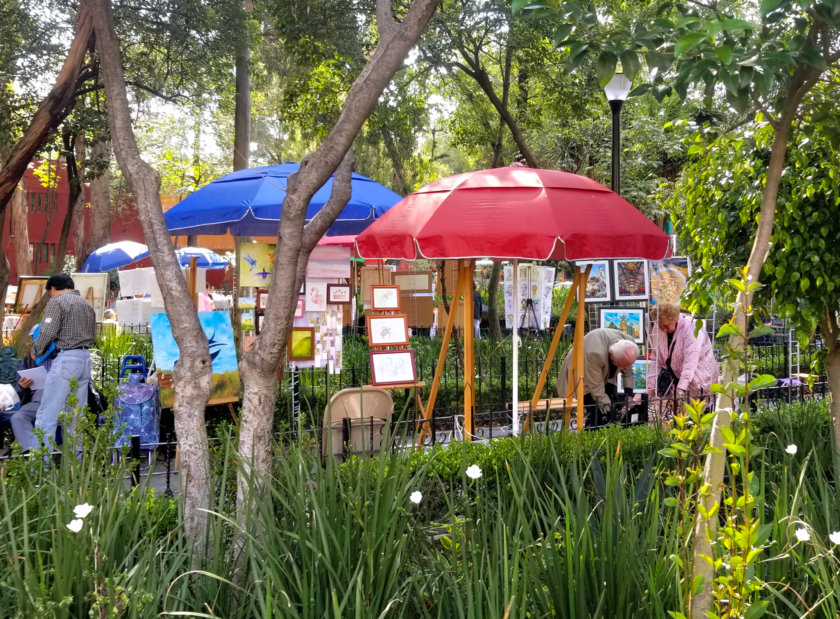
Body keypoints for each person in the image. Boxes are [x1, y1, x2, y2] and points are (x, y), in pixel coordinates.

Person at [32, 273, 96, 450]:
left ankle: (41, 465)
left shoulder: (57, 301)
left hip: (67, 358)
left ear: (53, 288)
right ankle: (76, 466)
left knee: (47, 414)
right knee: (76, 417)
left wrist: (35, 349)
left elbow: (47, 331)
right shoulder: (86, 304)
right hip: (85, 359)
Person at [556, 328, 638, 426]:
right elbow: (596, 388)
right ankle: (590, 436)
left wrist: (629, 395)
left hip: (604, 375)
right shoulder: (595, 354)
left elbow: (628, 371)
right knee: (598, 413)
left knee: (614, 404)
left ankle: (611, 431)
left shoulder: (629, 345)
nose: (624, 368)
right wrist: (610, 410)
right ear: (612, 357)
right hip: (581, 375)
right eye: (622, 365)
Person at [646, 302, 718, 405]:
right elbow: (656, 360)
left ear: (674, 318)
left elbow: (690, 362)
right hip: (676, 377)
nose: (663, 330)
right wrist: (651, 387)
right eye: (660, 326)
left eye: (666, 326)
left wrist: (680, 389)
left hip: (699, 380)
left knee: (697, 413)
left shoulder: (692, 328)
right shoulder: (658, 329)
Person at [9, 346, 53, 452]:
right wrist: (22, 386)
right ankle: (33, 455)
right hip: (37, 401)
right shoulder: (28, 361)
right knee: (18, 417)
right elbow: (18, 391)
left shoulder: (60, 356)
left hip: (59, 401)